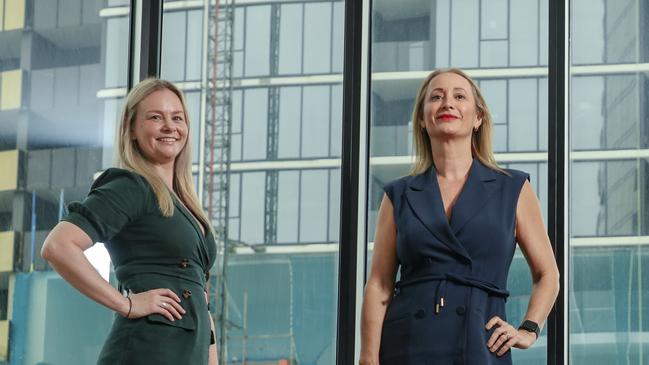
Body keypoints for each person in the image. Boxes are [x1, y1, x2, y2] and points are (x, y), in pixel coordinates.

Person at [359, 68, 560, 364]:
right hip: (407, 343)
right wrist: (367, 357)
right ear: (422, 119)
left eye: (459, 96)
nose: (447, 103)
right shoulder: (399, 195)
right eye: (436, 97)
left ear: (478, 117)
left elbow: (548, 275)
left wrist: (528, 329)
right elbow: (379, 284)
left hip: (481, 341)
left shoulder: (513, 188)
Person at [41, 78, 218, 364]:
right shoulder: (131, 187)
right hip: (147, 351)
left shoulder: (186, 205)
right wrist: (127, 304)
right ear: (132, 130)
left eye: (177, 117)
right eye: (155, 117)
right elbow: (58, 246)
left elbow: (203, 305)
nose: (169, 127)